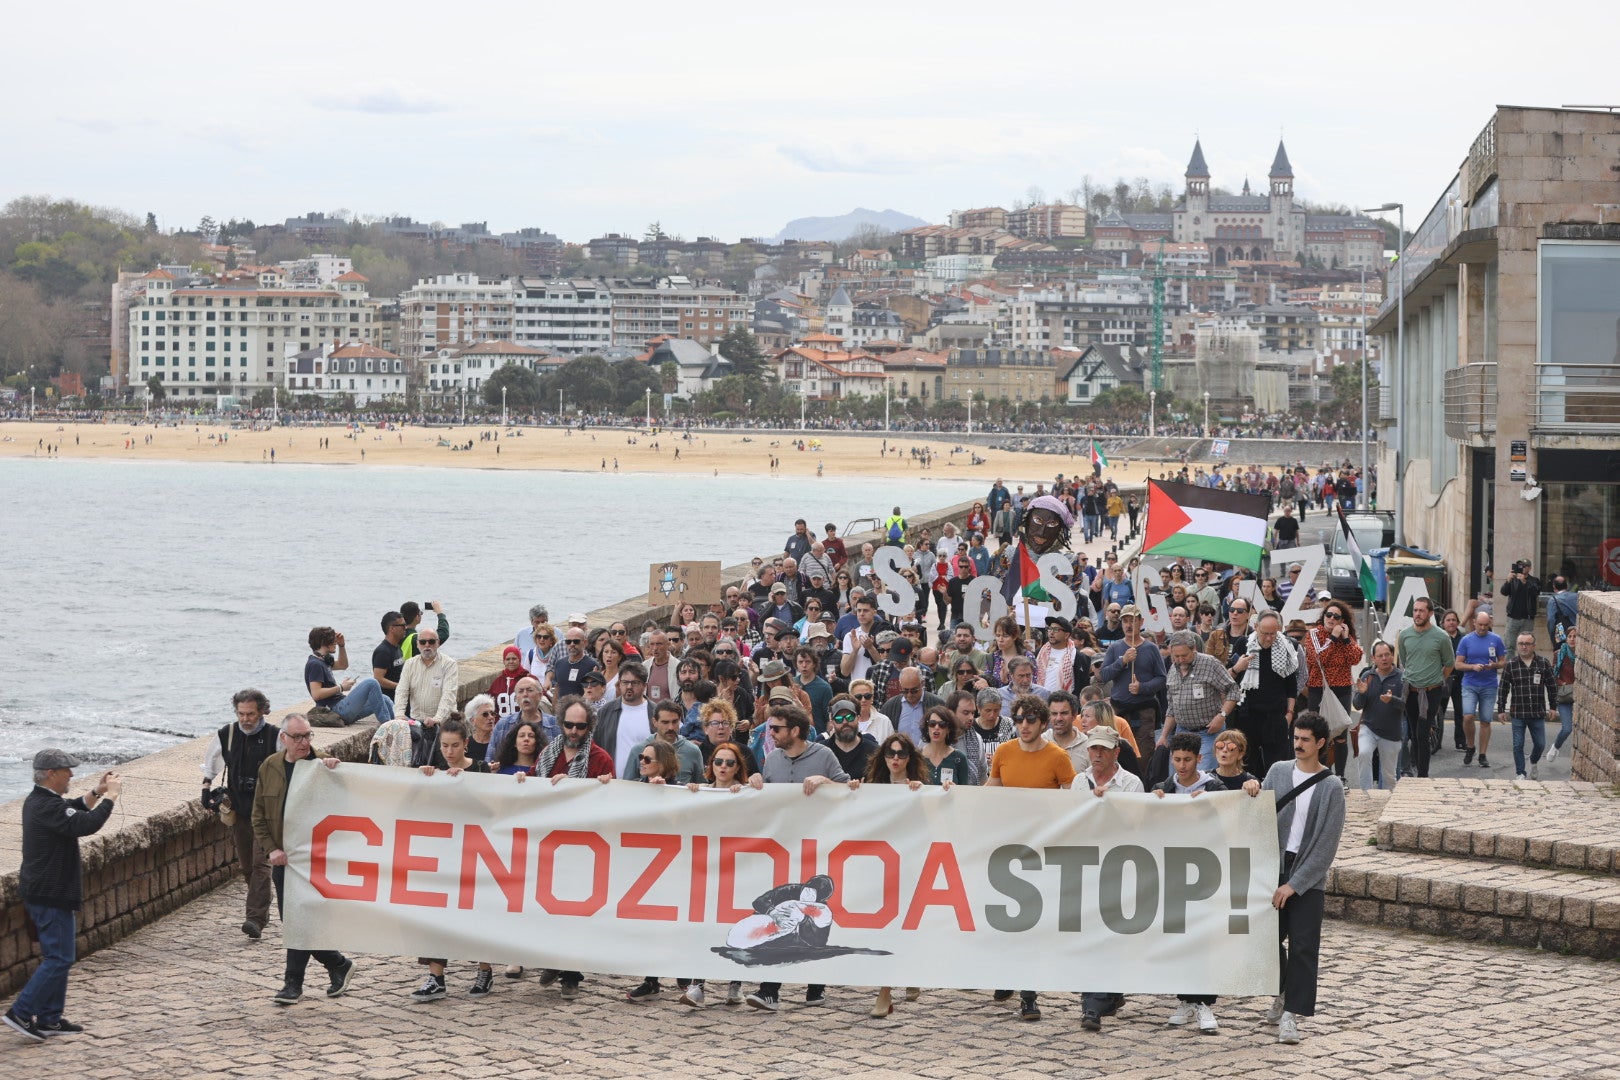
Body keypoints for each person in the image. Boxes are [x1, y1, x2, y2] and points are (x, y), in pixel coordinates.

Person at [743, 703, 854, 1011]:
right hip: (783, 846)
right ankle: (770, 989)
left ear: (794, 730)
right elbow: (767, 798)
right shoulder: (774, 758)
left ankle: (815, 984)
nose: (770, 733)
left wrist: (826, 782)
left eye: (775, 728)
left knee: (816, 911)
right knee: (782, 913)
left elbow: (850, 790)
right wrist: (756, 783)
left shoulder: (823, 755)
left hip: (819, 844)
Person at [4, 750, 121, 1040]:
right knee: (59, 957)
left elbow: (74, 807)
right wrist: (111, 798)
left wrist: (97, 791)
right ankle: (20, 1012)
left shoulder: (42, 801)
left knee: (58, 956)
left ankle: (49, 1019)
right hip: (49, 894)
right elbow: (85, 824)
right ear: (51, 773)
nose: (71, 774)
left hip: (48, 892)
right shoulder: (45, 806)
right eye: (67, 770)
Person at [251, 715, 355, 1007]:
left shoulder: (324, 766)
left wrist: (337, 773)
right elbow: (258, 815)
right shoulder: (270, 767)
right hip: (285, 860)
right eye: (297, 737)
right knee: (294, 921)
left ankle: (292, 983)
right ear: (283, 738)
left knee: (301, 920)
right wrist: (271, 849)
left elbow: (348, 807)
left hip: (315, 859)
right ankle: (337, 964)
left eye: (308, 735)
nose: (304, 742)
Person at [1255, 711, 1346, 1046]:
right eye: (1296, 738)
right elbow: (1258, 813)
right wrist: (1252, 787)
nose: (1298, 744)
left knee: (1304, 947)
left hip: (1307, 876)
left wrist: (1295, 885)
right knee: (1267, 940)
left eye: (1306, 739)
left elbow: (1326, 845)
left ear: (1320, 743)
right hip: (1272, 868)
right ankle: (1281, 990)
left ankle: (1292, 1014)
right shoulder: (1278, 771)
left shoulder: (1332, 787)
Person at [985, 693, 1074, 1022]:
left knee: (1032, 923)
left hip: (1041, 851)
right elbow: (990, 791)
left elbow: (1072, 803)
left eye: (1030, 720)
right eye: (1019, 719)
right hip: (1007, 848)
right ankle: (1009, 976)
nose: (1023, 725)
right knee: (1007, 921)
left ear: (1042, 723)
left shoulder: (1058, 757)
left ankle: (1029, 995)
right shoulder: (1004, 753)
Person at [1152, 730, 1227, 1034]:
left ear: (1199, 758)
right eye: (1177, 759)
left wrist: (1214, 804)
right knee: (1179, 938)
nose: (1181, 765)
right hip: (1172, 873)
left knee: (1204, 938)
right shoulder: (1162, 787)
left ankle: (1204, 1003)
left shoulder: (1214, 787)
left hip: (1205, 871)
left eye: (1187, 760)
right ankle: (1185, 998)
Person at [201, 688, 279, 940]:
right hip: (240, 808)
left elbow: (293, 765)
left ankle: (254, 918)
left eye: (251, 714)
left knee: (260, 863)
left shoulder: (275, 737)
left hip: (267, 811)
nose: (245, 719)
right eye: (241, 713)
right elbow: (211, 762)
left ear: (262, 711)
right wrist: (206, 788)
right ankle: (261, 907)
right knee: (246, 865)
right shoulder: (227, 734)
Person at [862, 733, 928, 1017]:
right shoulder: (872, 787)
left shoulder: (919, 789)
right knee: (884, 927)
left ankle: (896, 981)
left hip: (909, 866)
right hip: (879, 868)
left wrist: (926, 793)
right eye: (891, 754)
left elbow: (931, 823)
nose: (896, 759)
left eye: (902, 754)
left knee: (905, 925)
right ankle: (885, 990)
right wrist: (854, 790)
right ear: (883, 757)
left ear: (910, 758)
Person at [1229, 612, 1300, 775]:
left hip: (1276, 715)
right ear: (1256, 628)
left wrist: (1289, 713)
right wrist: (1237, 667)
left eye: (1273, 634)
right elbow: (1228, 679)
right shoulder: (1244, 644)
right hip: (1248, 714)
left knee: (1277, 767)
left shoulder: (1287, 646)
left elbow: (1291, 684)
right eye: (1265, 633)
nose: (1269, 638)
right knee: (1247, 765)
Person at [1158, 630, 1237, 771]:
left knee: (1203, 776)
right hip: (1182, 733)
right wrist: (1164, 736)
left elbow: (1233, 690)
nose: (1180, 660)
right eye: (1176, 656)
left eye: (1184, 655)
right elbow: (1172, 708)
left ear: (1193, 649)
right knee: (1177, 776)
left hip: (1208, 733)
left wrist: (1222, 716)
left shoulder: (1210, 663)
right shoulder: (1172, 669)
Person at [1098, 605, 1166, 752]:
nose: (1129, 625)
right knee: (1117, 752)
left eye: (1132, 621)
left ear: (1141, 622)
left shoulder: (1151, 648)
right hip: (1119, 710)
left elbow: (1161, 678)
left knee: (1143, 754)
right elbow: (1104, 675)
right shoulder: (1115, 648)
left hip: (1144, 711)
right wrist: (1122, 661)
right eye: (1125, 621)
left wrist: (1142, 687)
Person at [1497, 632, 1558, 780]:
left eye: (1527, 644)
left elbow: (1552, 686)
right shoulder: (1511, 665)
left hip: (1537, 712)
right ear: (1517, 646)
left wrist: (1553, 707)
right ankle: (1520, 773)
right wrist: (1501, 710)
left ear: (1533, 646)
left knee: (1540, 744)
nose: (1524, 647)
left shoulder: (1543, 663)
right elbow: (1503, 689)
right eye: (1521, 644)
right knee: (1518, 745)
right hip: (1518, 712)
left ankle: (1533, 761)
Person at [304, 626, 394, 725]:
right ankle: (388, 726)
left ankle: (400, 725)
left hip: (342, 706)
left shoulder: (324, 660)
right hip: (335, 710)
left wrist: (341, 646)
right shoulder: (315, 664)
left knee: (384, 699)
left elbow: (343, 665)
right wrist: (341, 687)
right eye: (333, 640)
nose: (335, 642)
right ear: (323, 642)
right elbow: (316, 694)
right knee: (371, 683)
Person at [1454, 610, 1505, 768]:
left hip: (1489, 685)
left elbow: (1503, 661)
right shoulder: (1466, 640)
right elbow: (1458, 664)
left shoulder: (1496, 639)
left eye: (1486, 625)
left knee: (1485, 720)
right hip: (1470, 684)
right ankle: (1470, 746)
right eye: (1480, 624)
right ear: (1474, 622)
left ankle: (1482, 754)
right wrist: (1472, 666)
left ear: (1489, 623)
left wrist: (1494, 665)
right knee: (1468, 717)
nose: (1483, 628)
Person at [1352, 642, 1406, 790]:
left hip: (1391, 732)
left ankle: (1387, 803)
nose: (1384, 659)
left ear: (1392, 656)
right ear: (1373, 658)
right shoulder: (1367, 676)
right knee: (1364, 753)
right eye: (1380, 656)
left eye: (1387, 655)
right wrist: (1362, 693)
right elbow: (1357, 705)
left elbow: (1405, 705)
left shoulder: (1401, 677)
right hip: (1368, 727)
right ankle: (1366, 794)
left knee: (1389, 775)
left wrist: (1392, 700)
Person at [626, 700, 705, 785]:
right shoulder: (639, 750)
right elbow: (627, 786)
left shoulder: (692, 751)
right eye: (665, 722)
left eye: (675, 722)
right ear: (654, 722)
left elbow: (702, 787)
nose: (671, 727)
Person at [879, 666, 943, 743]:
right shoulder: (890, 706)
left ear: (922, 683)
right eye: (905, 691)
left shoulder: (936, 704)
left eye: (914, 690)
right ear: (900, 685)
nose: (909, 695)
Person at [823, 695, 878, 780]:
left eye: (850, 717)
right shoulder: (821, 751)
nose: (845, 722)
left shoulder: (874, 751)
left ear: (858, 718)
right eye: (839, 719)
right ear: (832, 722)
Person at [918, 705, 973, 785]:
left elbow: (963, 792)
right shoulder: (917, 757)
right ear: (927, 727)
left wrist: (955, 789)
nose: (936, 727)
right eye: (932, 724)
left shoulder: (959, 758)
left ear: (948, 729)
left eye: (942, 724)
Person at [1499, 559, 1541, 649]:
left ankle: (1523, 663)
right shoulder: (1513, 580)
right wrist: (1508, 581)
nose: (1522, 568)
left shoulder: (1534, 580)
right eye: (1520, 566)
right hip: (1513, 617)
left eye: (1524, 566)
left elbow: (1536, 592)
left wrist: (1524, 582)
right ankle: (1509, 663)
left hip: (1527, 618)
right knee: (1509, 645)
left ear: (1529, 568)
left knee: (1526, 646)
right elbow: (1503, 592)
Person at [1550, 625, 1578, 763]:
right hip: (1565, 696)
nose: (1572, 639)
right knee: (1567, 728)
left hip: (1580, 697)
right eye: (1570, 636)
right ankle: (1555, 747)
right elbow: (1553, 676)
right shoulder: (1559, 654)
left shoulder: (1584, 655)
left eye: (1575, 636)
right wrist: (1562, 684)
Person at [1035, 615, 1080, 694]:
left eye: (1056, 630)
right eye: (1050, 629)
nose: (1051, 632)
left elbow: (1080, 686)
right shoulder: (1040, 652)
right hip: (1040, 701)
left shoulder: (1076, 656)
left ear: (1066, 635)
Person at [371, 611, 409, 700]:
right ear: (392, 628)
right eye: (402, 625)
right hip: (389, 701)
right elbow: (378, 679)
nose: (405, 628)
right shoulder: (383, 651)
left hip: (401, 698)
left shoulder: (397, 647)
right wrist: (401, 687)